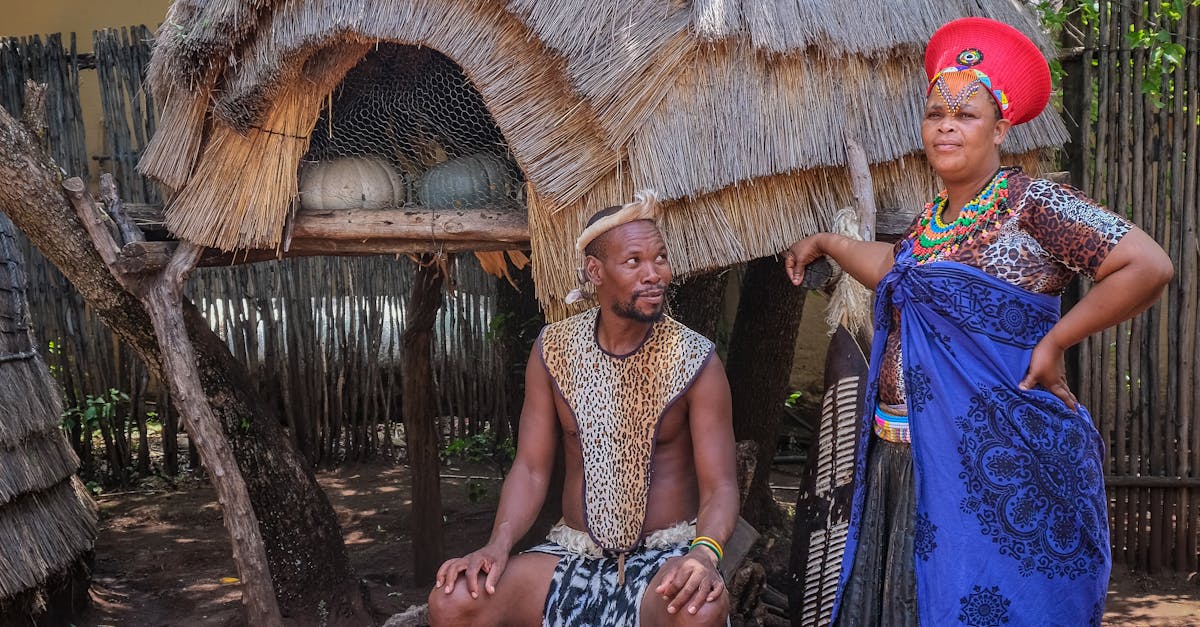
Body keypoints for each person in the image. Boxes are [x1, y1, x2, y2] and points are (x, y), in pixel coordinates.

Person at [782, 17, 1173, 627]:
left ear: (1001, 127)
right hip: (899, 461)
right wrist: (829, 242)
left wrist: (1056, 339)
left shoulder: (1034, 204)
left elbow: (1146, 264)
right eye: (937, 111)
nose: (946, 125)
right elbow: (896, 270)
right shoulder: (931, 221)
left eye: (966, 115)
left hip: (991, 467)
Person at [428, 191, 738, 626]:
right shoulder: (554, 349)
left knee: (697, 609)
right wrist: (496, 544)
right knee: (453, 601)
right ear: (596, 271)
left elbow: (721, 486)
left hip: (662, 559)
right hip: (572, 553)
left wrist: (703, 554)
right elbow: (532, 469)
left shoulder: (696, 359)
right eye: (634, 261)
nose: (654, 274)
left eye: (661, 258)